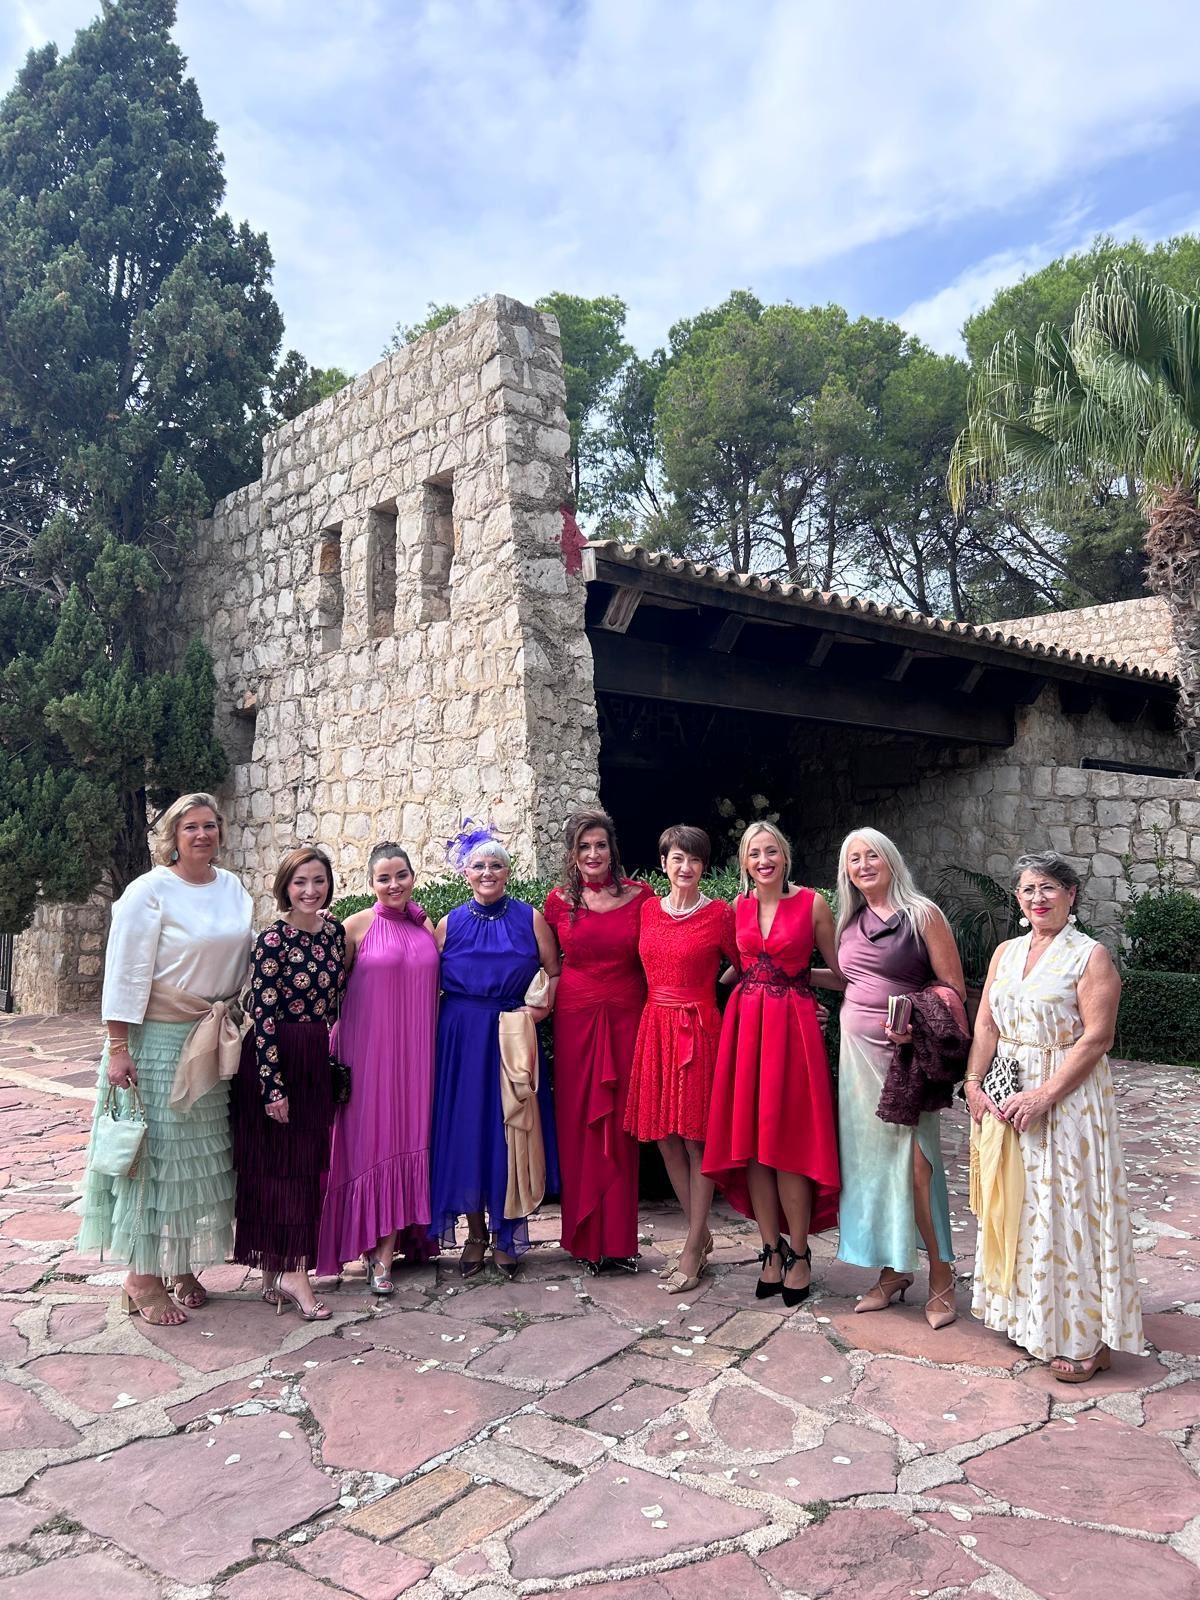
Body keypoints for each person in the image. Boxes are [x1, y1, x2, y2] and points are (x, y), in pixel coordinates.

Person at [965, 851, 1143, 1381]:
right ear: (1017, 900)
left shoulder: (1090, 957)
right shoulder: (1005, 952)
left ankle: (1088, 1336)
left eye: (1048, 888)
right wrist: (973, 1083)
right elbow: (985, 1026)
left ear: (1071, 895)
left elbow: (1098, 1038)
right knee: (1018, 1205)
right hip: (1006, 1092)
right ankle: (1032, 1320)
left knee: (1067, 1210)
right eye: (1027, 890)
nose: (1037, 898)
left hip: (1066, 1099)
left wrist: (1045, 1094)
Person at [78, 793, 253, 1325]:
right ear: (173, 837)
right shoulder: (149, 891)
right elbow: (126, 972)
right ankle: (142, 1278)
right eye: (190, 827)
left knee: (195, 1163)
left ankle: (177, 1264)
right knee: (156, 1164)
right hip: (158, 1043)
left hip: (210, 1039)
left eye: (210, 826)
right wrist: (118, 1046)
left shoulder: (232, 887)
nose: (202, 835)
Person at [814, 828, 965, 1329]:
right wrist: (787, 972)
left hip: (906, 1061)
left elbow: (953, 990)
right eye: (853, 858)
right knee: (873, 1168)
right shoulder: (848, 921)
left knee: (917, 1168)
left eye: (871, 854)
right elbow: (848, 980)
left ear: (890, 859)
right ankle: (895, 1269)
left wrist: (913, 1027)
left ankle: (941, 1277)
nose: (863, 864)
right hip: (858, 1063)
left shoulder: (924, 914)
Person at [704, 823, 840, 1307]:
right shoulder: (735, 909)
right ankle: (770, 1250)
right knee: (754, 1146)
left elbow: (841, 973)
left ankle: (800, 1253)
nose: (763, 861)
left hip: (793, 1029)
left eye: (771, 852)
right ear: (744, 863)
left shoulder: (813, 904)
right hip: (746, 1029)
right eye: (754, 854)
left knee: (789, 1142)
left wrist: (805, 985)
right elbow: (735, 966)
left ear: (785, 856)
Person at [430, 827, 561, 1278]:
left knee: (511, 1131)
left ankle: (508, 1233)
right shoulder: (447, 923)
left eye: (497, 865)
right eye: (480, 865)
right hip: (462, 1039)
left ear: (509, 871)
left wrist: (538, 1012)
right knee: (469, 1132)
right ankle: (475, 1234)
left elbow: (554, 971)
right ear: (466, 873)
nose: (488, 872)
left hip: (511, 1035)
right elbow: (429, 985)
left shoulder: (531, 918)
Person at [316, 843, 439, 1293]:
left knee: (411, 1138)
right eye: (384, 878)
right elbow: (326, 987)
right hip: (366, 1054)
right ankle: (377, 1252)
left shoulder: (426, 926)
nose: (394, 884)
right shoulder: (354, 927)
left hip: (418, 1054)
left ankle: (400, 1240)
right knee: (373, 1143)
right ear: (370, 883)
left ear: (412, 877)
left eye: (401, 875)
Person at [231, 847, 345, 1319]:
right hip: (274, 1059)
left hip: (315, 1055)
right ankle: (294, 1272)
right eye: (300, 882)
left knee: (301, 1167)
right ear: (285, 886)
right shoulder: (273, 941)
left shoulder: (335, 934)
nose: (310, 890)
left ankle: (274, 1271)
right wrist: (272, 1088)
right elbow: (264, 1017)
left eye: (318, 880)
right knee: (275, 1169)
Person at [624, 824, 738, 1295]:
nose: (685, 867)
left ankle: (692, 1246)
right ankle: (701, 1233)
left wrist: (715, 990)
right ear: (664, 864)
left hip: (697, 1027)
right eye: (676, 858)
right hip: (655, 1025)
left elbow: (745, 964)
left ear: (703, 866)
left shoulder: (719, 914)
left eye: (693, 859)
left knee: (695, 1140)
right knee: (666, 1138)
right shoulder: (649, 910)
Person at [543, 811, 653, 1272]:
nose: (593, 854)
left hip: (628, 1015)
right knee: (578, 1125)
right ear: (573, 853)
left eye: (600, 845)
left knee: (623, 1127)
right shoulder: (556, 903)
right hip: (576, 1018)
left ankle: (619, 1241)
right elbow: (544, 966)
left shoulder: (642, 897)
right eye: (584, 846)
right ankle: (586, 1241)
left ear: (613, 849)